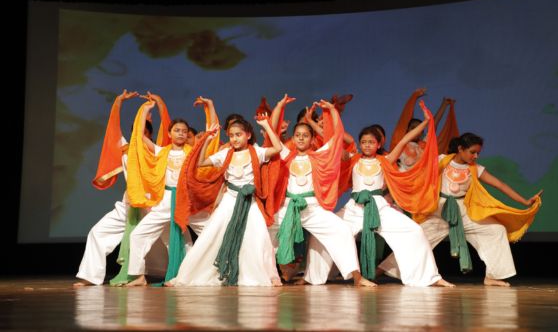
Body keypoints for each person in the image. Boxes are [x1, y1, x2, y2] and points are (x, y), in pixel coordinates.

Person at [303, 102, 453, 287]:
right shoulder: (352, 159)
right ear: (359, 143)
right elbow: (332, 142)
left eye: (371, 142)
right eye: (364, 142)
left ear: (378, 144)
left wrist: (426, 122)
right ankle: (313, 277)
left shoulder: (385, 160)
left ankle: (431, 277)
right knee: (325, 234)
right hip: (354, 208)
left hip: (380, 207)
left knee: (414, 231)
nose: (367, 145)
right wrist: (314, 121)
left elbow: (406, 139)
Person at [379, 132, 543, 286]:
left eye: (478, 153)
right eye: (472, 152)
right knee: (418, 238)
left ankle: (492, 276)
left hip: (463, 211)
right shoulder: (442, 160)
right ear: (460, 149)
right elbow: (419, 174)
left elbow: (500, 185)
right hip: (438, 210)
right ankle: (383, 269)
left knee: (495, 230)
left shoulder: (476, 169)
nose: (475, 156)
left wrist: (525, 201)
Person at [269, 98, 375, 287]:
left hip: (312, 208)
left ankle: (357, 277)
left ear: (311, 140)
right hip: (288, 207)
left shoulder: (318, 156)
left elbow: (336, 137)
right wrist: (279, 107)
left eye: (305, 135)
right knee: (265, 232)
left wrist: (333, 111)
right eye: (297, 135)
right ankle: (268, 275)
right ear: (293, 138)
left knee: (342, 230)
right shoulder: (286, 155)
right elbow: (273, 134)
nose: (301, 138)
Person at [167, 114, 282, 286]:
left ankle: (269, 275)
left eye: (239, 135)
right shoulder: (225, 154)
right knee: (211, 236)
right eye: (231, 135)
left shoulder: (257, 152)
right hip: (229, 200)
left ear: (248, 135)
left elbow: (278, 148)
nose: (235, 139)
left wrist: (266, 125)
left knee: (259, 238)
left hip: (249, 202)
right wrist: (207, 138)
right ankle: (190, 274)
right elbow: (201, 162)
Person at [74, 90, 162, 287]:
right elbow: (113, 128)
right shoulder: (125, 148)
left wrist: (157, 106)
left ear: (149, 135)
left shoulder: (157, 151)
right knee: (98, 232)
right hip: (129, 204)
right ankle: (90, 276)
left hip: (152, 205)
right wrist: (118, 102)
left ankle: (181, 273)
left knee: (170, 239)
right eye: (136, 132)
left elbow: (167, 126)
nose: (138, 135)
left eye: (144, 132)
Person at [125, 95, 209, 286]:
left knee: (211, 231)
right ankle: (138, 276)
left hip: (186, 201)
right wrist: (146, 109)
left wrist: (208, 107)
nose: (180, 134)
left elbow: (209, 143)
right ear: (169, 133)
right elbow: (139, 137)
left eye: (184, 131)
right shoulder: (161, 151)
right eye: (176, 130)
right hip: (165, 200)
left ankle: (204, 272)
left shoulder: (193, 152)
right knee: (138, 235)